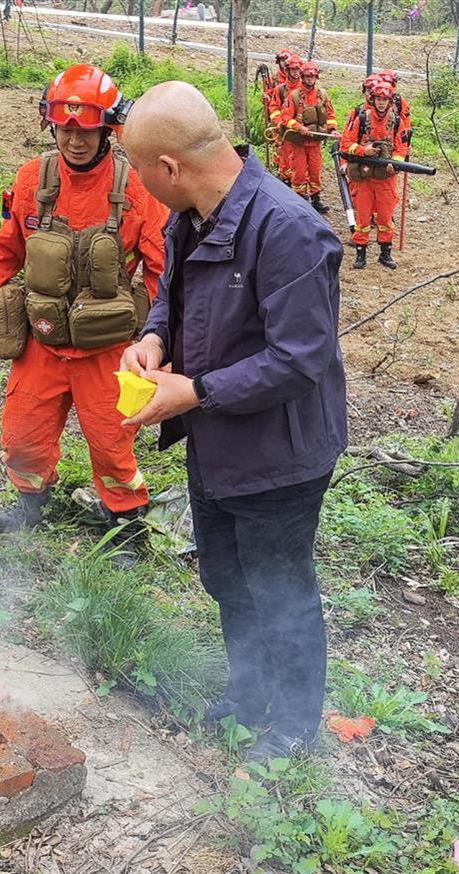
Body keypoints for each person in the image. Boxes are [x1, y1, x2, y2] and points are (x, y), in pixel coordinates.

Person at [117, 82, 347, 761]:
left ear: (168, 169)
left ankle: (294, 721)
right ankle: (250, 693)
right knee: (226, 574)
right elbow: (172, 296)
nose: (140, 185)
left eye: (138, 171)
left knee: (281, 589)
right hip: (217, 440)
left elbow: (300, 360)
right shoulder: (191, 214)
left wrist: (194, 390)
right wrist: (155, 338)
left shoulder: (289, 230)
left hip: (281, 453)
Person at [0, 64, 169, 540]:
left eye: (87, 130)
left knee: (112, 442)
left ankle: (125, 521)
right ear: (51, 124)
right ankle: (31, 503)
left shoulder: (136, 187)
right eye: (66, 128)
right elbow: (3, 251)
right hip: (44, 338)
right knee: (21, 438)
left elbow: (163, 270)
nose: (75, 140)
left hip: (107, 347)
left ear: (109, 129)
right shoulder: (33, 178)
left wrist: (159, 341)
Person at [339, 76, 411, 270]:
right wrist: (364, 151)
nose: (381, 102)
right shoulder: (362, 118)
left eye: (384, 100)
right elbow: (346, 143)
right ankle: (360, 254)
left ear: (389, 101)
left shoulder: (396, 121)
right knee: (362, 218)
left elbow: (401, 148)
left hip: (385, 180)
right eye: (378, 99)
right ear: (372, 99)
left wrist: (394, 164)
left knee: (386, 218)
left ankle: (385, 254)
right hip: (364, 178)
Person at [279, 60, 338, 214]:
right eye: (307, 76)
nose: (310, 79)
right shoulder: (294, 96)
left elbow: (330, 115)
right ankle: (298, 199)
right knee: (298, 171)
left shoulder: (322, 95)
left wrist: (332, 129)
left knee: (315, 171)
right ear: (302, 77)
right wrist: (299, 127)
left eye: (312, 77)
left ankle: (316, 198)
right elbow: (285, 118)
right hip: (299, 142)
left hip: (315, 143)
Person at [267, 53, 303, 182]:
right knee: (284, 154)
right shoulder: (280, 89)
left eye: (298, 70)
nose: (296, 73)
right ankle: (285, 179)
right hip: (284, 128)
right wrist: (278, 122)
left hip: (300, 129)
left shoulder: (305, 89)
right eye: (293, 70)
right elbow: (274, 108)